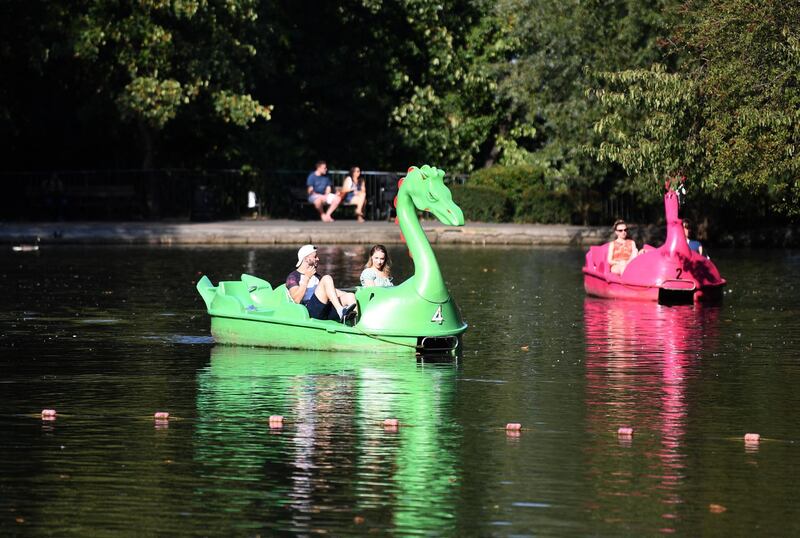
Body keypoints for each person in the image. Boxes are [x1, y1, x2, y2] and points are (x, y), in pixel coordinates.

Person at [287, 244, 356, 322]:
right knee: (327, 278)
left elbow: (330, 291)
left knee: (350, 296)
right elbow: (296, 300)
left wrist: (347, 294)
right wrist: (306, 278)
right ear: (306, 259)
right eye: (315, 256)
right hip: (309, 311)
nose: (318, 259)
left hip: (323, 309)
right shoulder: (293, 277)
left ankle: (356, 326)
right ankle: (340, 311)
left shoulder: (316, 276)